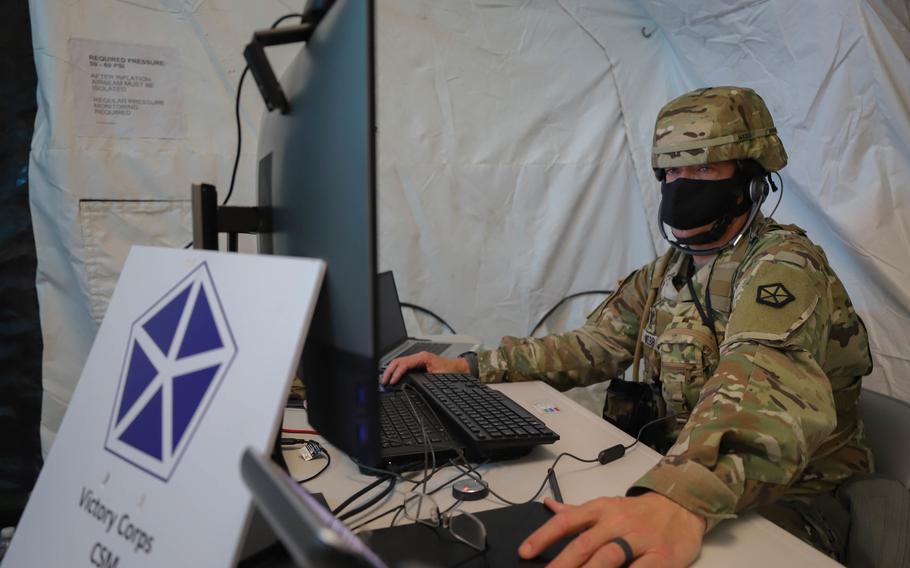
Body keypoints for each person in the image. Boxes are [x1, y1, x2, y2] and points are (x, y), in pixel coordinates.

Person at [381, 86, 873, 567]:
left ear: (749, 180)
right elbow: (592, 344)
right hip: (693, 479)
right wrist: (472, 366)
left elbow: (763, 386)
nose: (683, 184)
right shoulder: (670, 271)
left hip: (791, 496)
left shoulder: (783, 264)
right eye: (673, 169)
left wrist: (680, 498)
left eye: (703, 167)